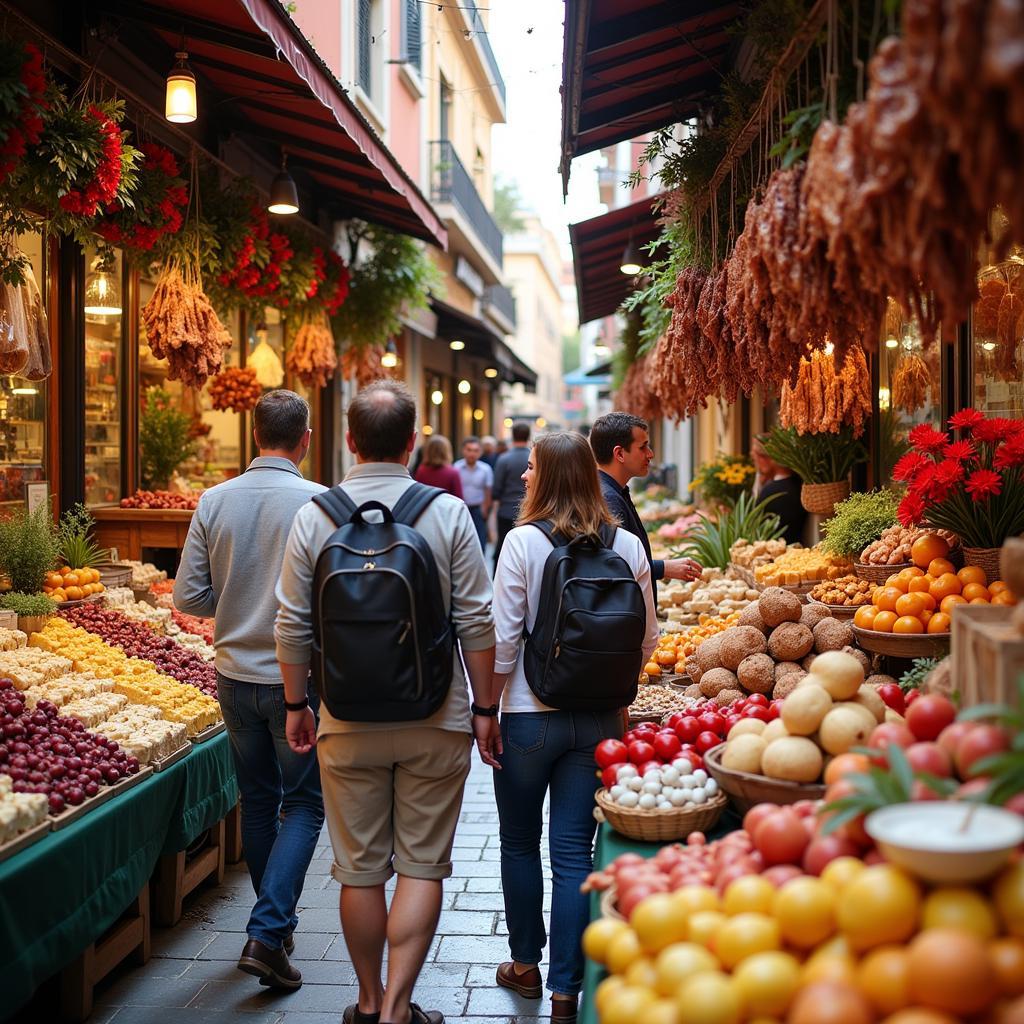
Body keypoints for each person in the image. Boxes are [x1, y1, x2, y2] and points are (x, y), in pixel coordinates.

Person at [275, 381, 496, 1024]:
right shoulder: (448, 513)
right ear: (411, 441)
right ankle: (400, 1008)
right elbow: (477, 624)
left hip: (344, 718)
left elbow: (292, 626)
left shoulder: (316, 515)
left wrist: (297, 705)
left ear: (348, 441)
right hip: (438, 716)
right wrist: (486, 711)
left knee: (358, 870)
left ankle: (368, 1001)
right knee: (423, 865)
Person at [484, 431, 659, 1022]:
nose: (525, 477)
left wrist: (488, 710)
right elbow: (647, 639)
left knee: (517, 843)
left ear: (549, 476)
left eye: (532, 468)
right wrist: (614, 690)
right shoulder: (629, 545)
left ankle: (525, 966)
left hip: (530, 717)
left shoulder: (522, 542)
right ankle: (566, 991)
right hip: (600, 719)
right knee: (573, 856)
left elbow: (504, 639)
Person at [174, 390, 325, 992]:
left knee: (258, 802)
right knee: (307, 804)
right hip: (299, 681)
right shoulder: (320, 503)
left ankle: (273, 929)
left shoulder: (215, 499)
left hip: (233, 676)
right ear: (305, 439)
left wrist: (234, 606)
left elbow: (188, 596)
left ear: (253, 434)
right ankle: (268, 933)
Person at [589, 412, 702, 582]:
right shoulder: (609, 499)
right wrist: (664, 568)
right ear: (619, 454)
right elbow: (615, 565)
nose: (650, 454)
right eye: (643, 447)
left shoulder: (612, 492)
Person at [752, 435, 807, 544]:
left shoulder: (772, 492)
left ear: (766, 459)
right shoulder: (799, 483)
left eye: (755, 459)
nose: (756, 465)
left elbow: (753, 525)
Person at [492, 423, 530, 569]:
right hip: (528, 511)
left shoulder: (503, 459)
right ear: (527, 436)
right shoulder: (532, 458)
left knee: (502, 548)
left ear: (513, 435)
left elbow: (496, 489)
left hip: (506, 511)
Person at [454, 436, 493, 551]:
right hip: (460, 509)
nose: (472, 454)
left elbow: (488, 490)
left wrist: (485, 510)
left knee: (480, 540)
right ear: (463, 451)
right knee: (461, 541)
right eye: (469, 450)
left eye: (475, 450)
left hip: (478, 510)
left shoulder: (486, 469)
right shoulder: (456, 468)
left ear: (480, 452)